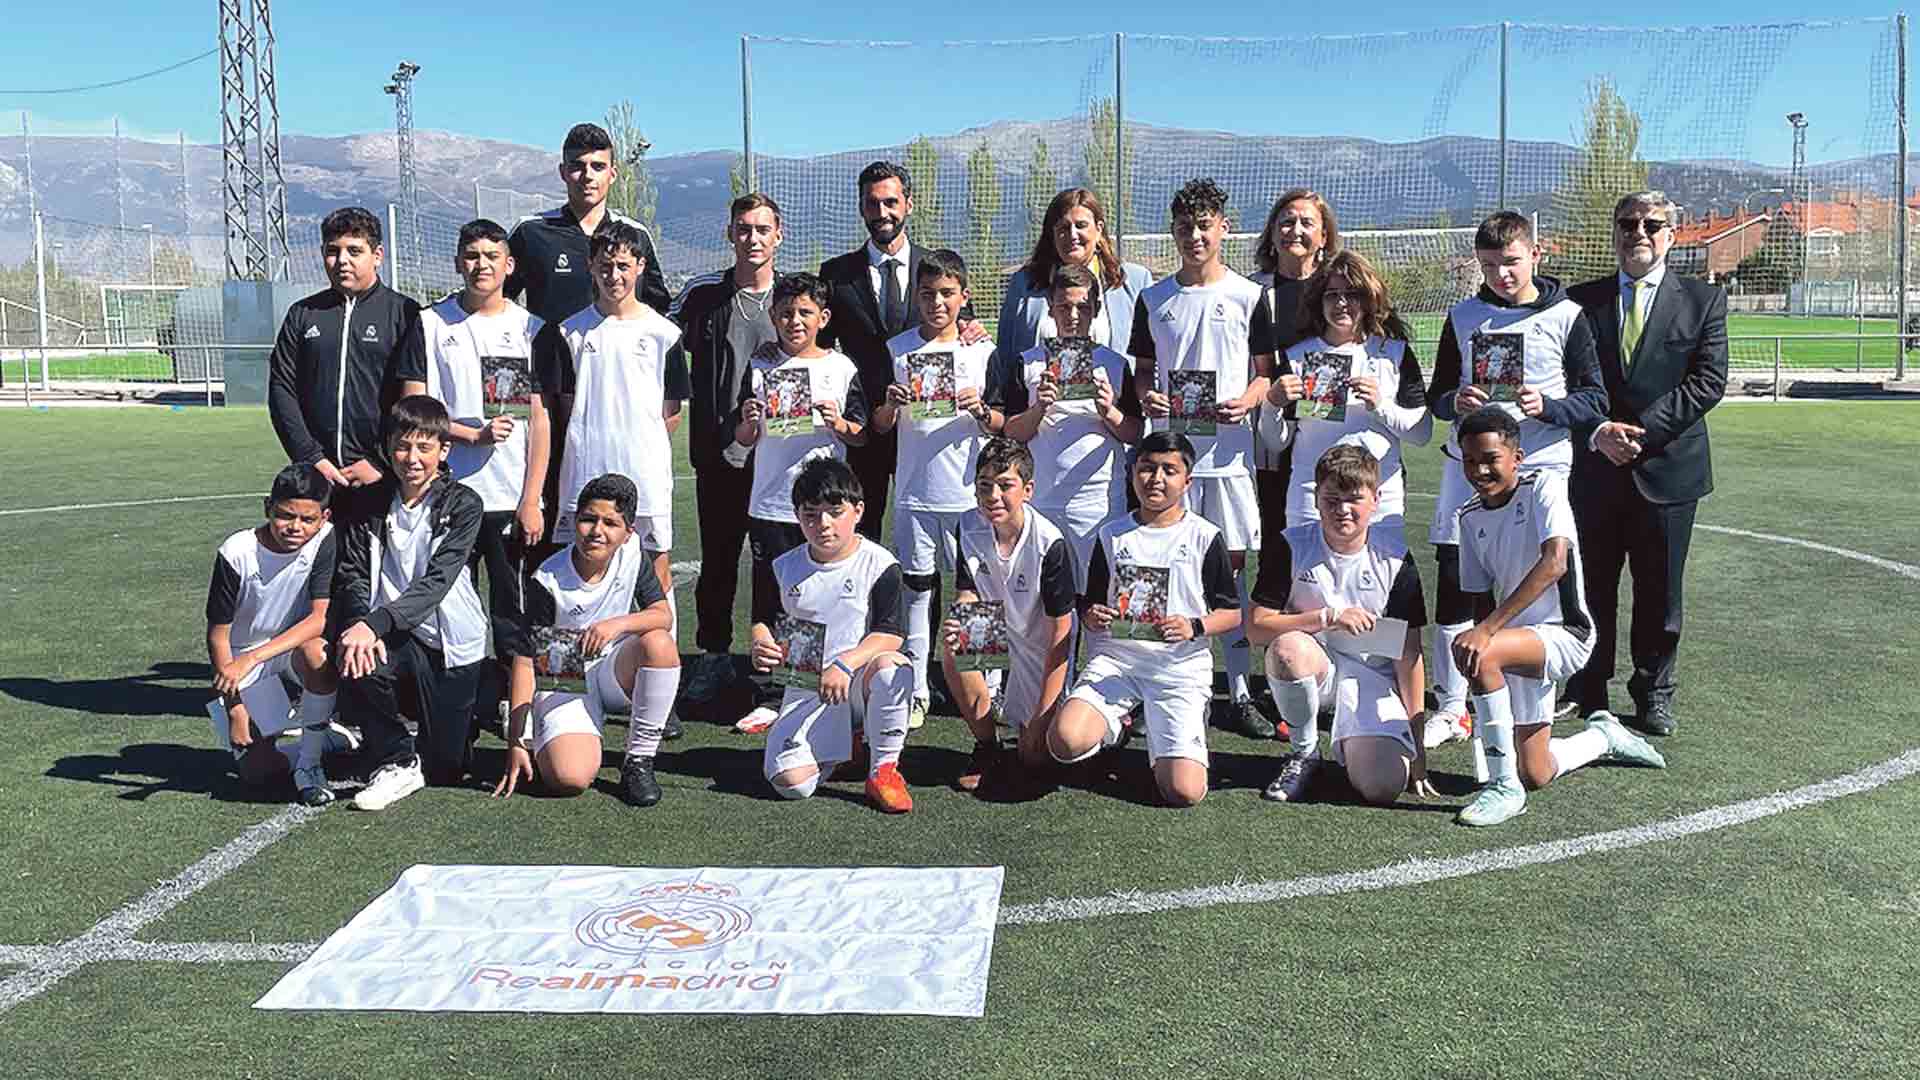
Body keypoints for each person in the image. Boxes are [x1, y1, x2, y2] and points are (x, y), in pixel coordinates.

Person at [1423, 211, 1607, 747]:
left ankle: (1528, 701)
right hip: (1469, 466)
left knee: (1537, 581)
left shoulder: (1568, 316)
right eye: (1488, 265)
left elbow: (1594, 399)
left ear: (1535, 255)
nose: (1500, 274)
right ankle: (1452, 707)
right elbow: (1438, 397)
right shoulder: (1463, 317)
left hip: (1539, 466)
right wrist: (1454, 401)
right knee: (1457, 577)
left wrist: (1548, 406)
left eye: (1510, 262)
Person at [1449, 407, 1666, 827]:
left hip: (1565, 634)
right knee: (1538, 771)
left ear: (1517, 457)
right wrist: (1485, 660)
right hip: (1515, 646)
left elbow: (1555, 564)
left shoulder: (1544, 487)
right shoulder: (1469, 516)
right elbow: (1478, 598)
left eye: (1491, 458)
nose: (1480, 469)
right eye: (1470, 460)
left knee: (1483, 651)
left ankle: (1503, 788)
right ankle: (1603, 736)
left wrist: (1486, 635)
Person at [1566, 191, 1729, 737]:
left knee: (1660, 593)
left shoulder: (1703, 300)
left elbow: (1707, 382)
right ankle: (1588, 687)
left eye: (1651, 224)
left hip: (1668, 470)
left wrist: (1643, 432)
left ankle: (1654, 692)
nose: (1638, 232)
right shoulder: (1579, 302)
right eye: (1627, 223)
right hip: (1595, 469)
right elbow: (1565, 383)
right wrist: (1597, 432)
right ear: (1614, 232)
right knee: (1591, 588)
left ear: (1671, 234)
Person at [1128, 178, 1276, 739]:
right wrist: (1147, 396)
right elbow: (1144, 371)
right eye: (1186, 226)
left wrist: (1249, 398)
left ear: (1223, 228)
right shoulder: (1155, 299)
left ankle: (1236, 692)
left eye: (1205, 225)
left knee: (1230, 579)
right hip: (1172, 458)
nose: (1195, 235)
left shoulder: (1248, 295)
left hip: (1230, 460)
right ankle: (1154, 687)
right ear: (1173, 231)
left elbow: (1266, 372)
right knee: (1162, 572)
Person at [1043, 432, 1243, 807]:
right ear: (1133, 473)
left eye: (1169, 470)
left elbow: (1232, 614)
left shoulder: (1205, 536)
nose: (1156, 479)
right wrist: (1093, 615)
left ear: (1188, 481)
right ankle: (1116, 725)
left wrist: (1194, 626)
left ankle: (1172, 730)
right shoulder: (1111, 534)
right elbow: (1090, 605)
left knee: (1184, 792)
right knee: (1064, 744)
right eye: (1147, 468)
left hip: (1178, 670)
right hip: (1118, 663)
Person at [412, 219, 546, 734]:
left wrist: (532, 497)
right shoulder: (431, 324)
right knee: (450, 609)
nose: (482, 264)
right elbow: (413, 406)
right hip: (448, 495)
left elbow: (540, 420)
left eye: (493, 255)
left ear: (509, 265)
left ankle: (519, 716)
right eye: (472, 255)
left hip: (510, 498)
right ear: (457, 262)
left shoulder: (531, 328)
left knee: (513, 615)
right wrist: (470, 436)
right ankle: (457, 707)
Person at [529, 220, 688, 648]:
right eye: (604, 265)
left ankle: (660, 670)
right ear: (590, 267)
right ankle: (568, 671)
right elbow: (564, 406)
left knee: (656, 565)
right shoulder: (568, 332)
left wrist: (637, 441)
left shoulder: (664, 334)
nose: (613, 275)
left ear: (639, 266)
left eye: (622, 265)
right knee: (577, 564)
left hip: (646, 473)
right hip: (584, 470)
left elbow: (669, 414)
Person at [1248, 443, 1435, 806]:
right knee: (1288, 648)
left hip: (1372, 676)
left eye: (1354, 499)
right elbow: (1256, 628)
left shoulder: (1395, 560)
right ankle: (1304, 752)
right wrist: (1325, 618)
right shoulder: (1291, 545)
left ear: (1376, 499)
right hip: (1316, 665)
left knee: (1382, 787)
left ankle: (1357, 742)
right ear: (1316, 498)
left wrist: (1418, 747)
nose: (1342, 510)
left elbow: (1408, 655)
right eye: (1331, 499)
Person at [331, 395, 489, 811]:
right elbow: (353, 573)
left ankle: (471, 714)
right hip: (394, 636)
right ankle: (395, 757)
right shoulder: (368, 502)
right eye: (402, 446)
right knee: (356, 652)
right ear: (388, 447)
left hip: (451, 643)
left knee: (447, 769)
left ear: (443, 450)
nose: (412, 458)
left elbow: (436, 582)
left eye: (424, 447)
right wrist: (362, 623)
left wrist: (375, 623)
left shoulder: (464, 504)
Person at [870, 249, 1003, 729]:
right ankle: (919, 689)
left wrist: (981, 410)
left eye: (947, 293)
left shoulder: (982, 351)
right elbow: (880, 426)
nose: (937, 303)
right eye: (927, 294)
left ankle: (985, 686)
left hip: (970, 497)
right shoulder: (898, 349)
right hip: (915, 495)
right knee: (918, 592)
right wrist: (889, 404)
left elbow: (1002, 424)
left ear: (964, 297)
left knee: (978, 595)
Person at [731, 272, 868, 733]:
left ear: (823, 318)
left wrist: (838, 423)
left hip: (824, 509)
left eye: (805, 312)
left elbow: (864, 432)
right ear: (773, 317)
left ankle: (823, 682)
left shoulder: (842, 368)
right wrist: (750, 420)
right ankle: (773, 693)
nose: (795, 320)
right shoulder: (761, 367)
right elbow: (743, 437)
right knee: (773, 601)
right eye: (786, 313)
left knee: (821, 596)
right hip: (771, 503)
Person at [493, 474, 679, 807]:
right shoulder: (549, 578)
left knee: (659, 644)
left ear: (628, 533)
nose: (597, 531)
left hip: (612, 671)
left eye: (611, 523)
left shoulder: (633, 555)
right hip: (564, 676)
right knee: (570, 778)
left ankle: (639, 760)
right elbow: (524, 661)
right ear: (574, 520)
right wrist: (517, 741)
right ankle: (565, 733)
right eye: (588, 519)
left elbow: (662, 614)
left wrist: (617, 625)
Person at [749, 456, 914, 813]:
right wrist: (760, 642)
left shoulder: (881, 564)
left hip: (856, 683)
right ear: (797, 516)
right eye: (810, 514)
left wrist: (845, 663)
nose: (822, 524)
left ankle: (884, 768)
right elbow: (762, 619)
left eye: (834, 512)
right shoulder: (783, 566)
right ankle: (848, 748)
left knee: (893, 667)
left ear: (858, 510)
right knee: (791, 784)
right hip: (806, 686)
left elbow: (891, 635)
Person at [672, 193, 785, 707]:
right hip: (719, 456)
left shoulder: (795, 296)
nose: (753, 238)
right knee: (718, 561)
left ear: (778, 235)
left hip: (781, 463)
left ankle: (775, 664)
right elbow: (658, 339)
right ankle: (713, 657)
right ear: (730, 234)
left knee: (776, 564)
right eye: (743, 228)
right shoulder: (702, 296)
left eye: (762, 229)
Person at [267, 206, 425, 523]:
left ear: (377, 255)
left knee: (378, 570)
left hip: (380, 476)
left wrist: (382, 461)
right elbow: (281, 389)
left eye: (354, 251)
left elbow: (414, 401)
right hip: (316, 476)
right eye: (332, 251)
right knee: (319, 570)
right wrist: (311, 457)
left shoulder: (405, 313)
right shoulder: (303, 313)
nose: (342, 261)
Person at [204, 464, 352, 804]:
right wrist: (235, 708)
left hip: (289, 646)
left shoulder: (325, 538)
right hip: (240, 655)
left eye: (307, 519)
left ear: (324, 516)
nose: (295, 527)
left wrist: (252, 659)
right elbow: (217, 636)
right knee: (258, 773)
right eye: (285, 515)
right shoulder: (236, 552)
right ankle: (326, 738)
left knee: (317, 652)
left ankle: (310, 763)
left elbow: (317, 620)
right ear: (267, 507)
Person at [941, 438, 1076, 792]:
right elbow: (968, 590)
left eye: (1005, 486)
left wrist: (1042, 718)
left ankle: (1107, 728)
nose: (993, 496)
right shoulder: (968, 525)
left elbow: (1062, 637)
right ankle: (987, 745)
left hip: (1038, 644)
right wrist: (961, 616)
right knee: (954, 645)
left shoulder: (1050, 543)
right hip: (996, 629)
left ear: (1028, 490)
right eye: (984, 486)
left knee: (1037, 758)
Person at [1266, 250, 1431, 535]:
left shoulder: (1393, 354)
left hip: (1379, 497)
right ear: (1319, 301)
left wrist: (1380, 406)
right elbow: (1276, 442)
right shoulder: (1296, 357)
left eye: (1352, 294)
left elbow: (1421, 434)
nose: (1341, 303)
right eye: (1332, 295)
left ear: (1368, 299)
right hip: (1312, 496)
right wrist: (1272, 405)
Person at [1000, 263, 1144, 581]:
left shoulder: (1115, 364)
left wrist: (1110, 411)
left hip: (1100, 503)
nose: (1073, 315)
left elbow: (1135, 433)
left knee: (1095, 599)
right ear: (1051, 309)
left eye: (1082, 307)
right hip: (1041, 502)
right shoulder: (1028, 362)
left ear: (1096, 310)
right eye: (1064, 306)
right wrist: (1038, 408)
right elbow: (1011, 434)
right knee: (1045, 603)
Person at [506, 122, 669, 325]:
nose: (588, 176)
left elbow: (658, 310)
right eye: (577, 166)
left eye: (598, 166)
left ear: (612, 175)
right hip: (549, 357)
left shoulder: (635, 234)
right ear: (563, 172)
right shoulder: (531, 231)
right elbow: (496, 301)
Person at [1250, 189, 1340, 542]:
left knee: (1331, 529)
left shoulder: (1341, 289)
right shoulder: (1250, 291)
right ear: (1272, 233)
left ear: (1324, 235)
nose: (1295, 230)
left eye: (1307, 223)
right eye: (1286, 222)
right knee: (1275, 533)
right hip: (1269, 429)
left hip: (1325, 426)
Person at [995, 187, 1153, 359]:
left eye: (1081, 226)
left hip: (1115, 387)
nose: (1072, 235)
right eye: (1063, 227)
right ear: (1052, 234)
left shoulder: (1136, 280)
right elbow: (1005, 356)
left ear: (1099, 229)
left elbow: (1152, 357)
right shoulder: (1024, 283)